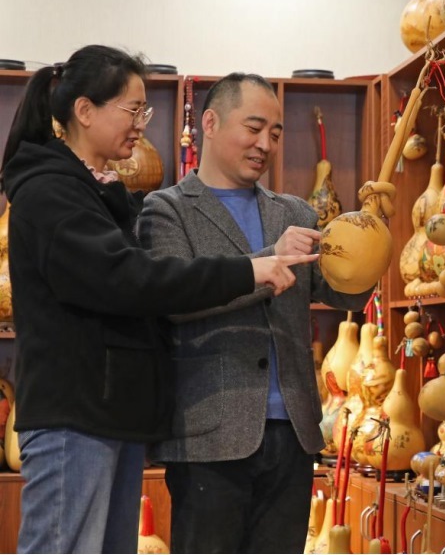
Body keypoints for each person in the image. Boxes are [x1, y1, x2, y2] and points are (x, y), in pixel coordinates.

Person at [0, 45, 316, 554]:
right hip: (74, 415)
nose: (140, 125)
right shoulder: (50, 192)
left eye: (144, 112)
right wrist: (251, 269)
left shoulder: (97, 193)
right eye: (132, 110)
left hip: (109, 415)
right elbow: (130, 279)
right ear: (85, 111)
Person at [136, 72, 373, 553]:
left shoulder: (296, 213)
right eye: (254, 128)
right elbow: (172, 301)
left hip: (293, 432)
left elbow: (345, 295)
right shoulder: (166, 210)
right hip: (208, 435)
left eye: (276, 133)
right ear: (210, 123)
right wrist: (268, 260)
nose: (265, 144)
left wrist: (373, 235)